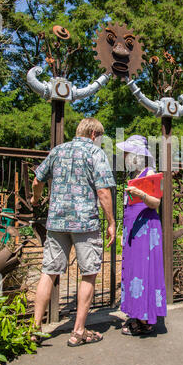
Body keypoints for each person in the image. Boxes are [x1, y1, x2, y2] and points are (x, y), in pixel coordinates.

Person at [30, 118, 116, 347]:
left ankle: (34, 329)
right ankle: (78, 331)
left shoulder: (58, 151)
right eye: (100, 137)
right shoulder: (95, 154)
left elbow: (37, 179)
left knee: (49, 271)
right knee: (88, 273)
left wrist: (36, 199)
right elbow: (103, 191)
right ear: (93, 134)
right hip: (85, 224)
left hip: (56, 222)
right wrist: (111, 221)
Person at [116, 135, 167, 335]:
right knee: (133, 271)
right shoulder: (134, 176)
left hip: (146, 229)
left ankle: (145, 320)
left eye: (128, 153)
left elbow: (156, 203)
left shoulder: (151, 173)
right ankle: (136, 314)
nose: (125, 156)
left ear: (137, 155)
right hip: (133, 229)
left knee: (144, 271)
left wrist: (141, 195)